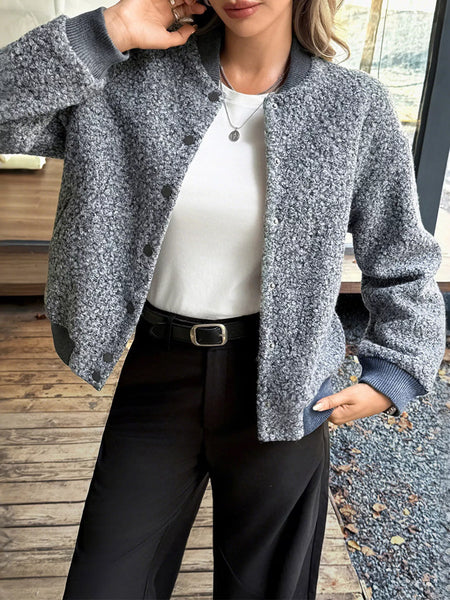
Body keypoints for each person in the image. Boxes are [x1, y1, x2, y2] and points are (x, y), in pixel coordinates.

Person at [0, 1, 446, 599]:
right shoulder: (132, 80)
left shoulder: (354, 106)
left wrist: (396, 370)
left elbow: (402, 253)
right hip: (159, 371)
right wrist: (111, 29)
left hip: (286, 386)